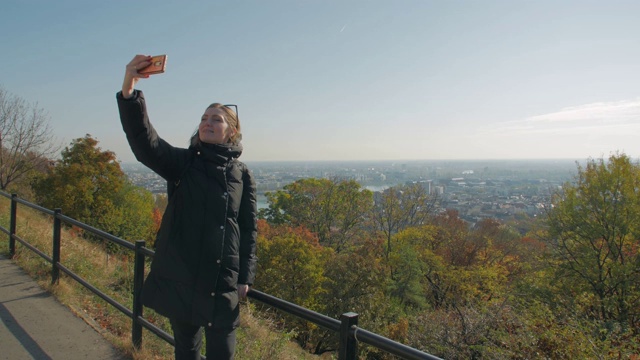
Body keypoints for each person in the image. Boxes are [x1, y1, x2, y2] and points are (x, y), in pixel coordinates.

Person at [116, 54, 258, 360]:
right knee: (187, 352)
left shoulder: (243, 174)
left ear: (231, 131)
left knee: (222, 353)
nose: (207, 123)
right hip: (184, 279)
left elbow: (247, 230)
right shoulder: (184, 164)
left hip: (223, 284)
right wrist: (130, 90)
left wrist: (246, 276)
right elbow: (145, 141)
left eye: (216, 119)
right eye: (204, 118)